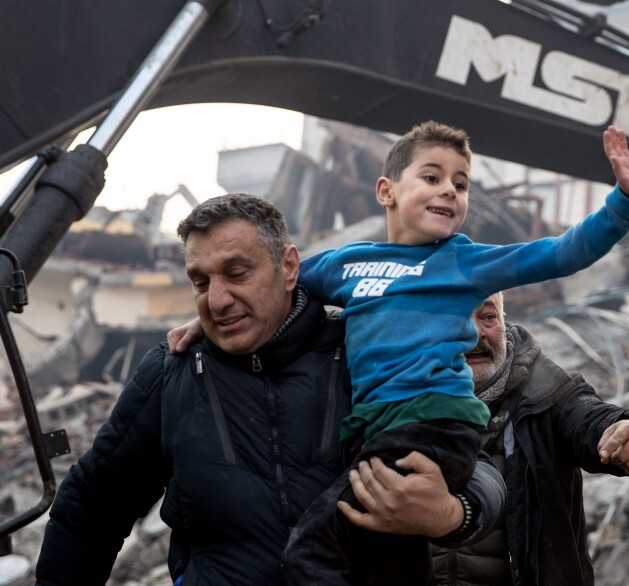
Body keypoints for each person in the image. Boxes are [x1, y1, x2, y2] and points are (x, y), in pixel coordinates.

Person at [169, 120, 629, 585]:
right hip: (375, 434)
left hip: (436, 423)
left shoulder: (464, 262)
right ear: (387, 191)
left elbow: (561, 252)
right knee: (389, 564)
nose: (449, 191)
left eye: (460, 184)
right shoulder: (348, 263)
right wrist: (207, 317)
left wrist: (625, 203)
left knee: (311, 550)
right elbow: (276, 286)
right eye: (432, 177)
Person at [34, 194, 504, 586]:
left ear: (289, 267)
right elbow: (89, 511)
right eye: (201, 282)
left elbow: (479, 469)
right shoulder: (173, 373)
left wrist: (450, 513)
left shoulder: (360, 353)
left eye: (237, 274)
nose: (216, 300)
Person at [344, 292, 629, 586]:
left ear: (504, 320)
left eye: (487, 317)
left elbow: (587, 416)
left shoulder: (545, 390)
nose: (474, 335)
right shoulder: (383, 401)